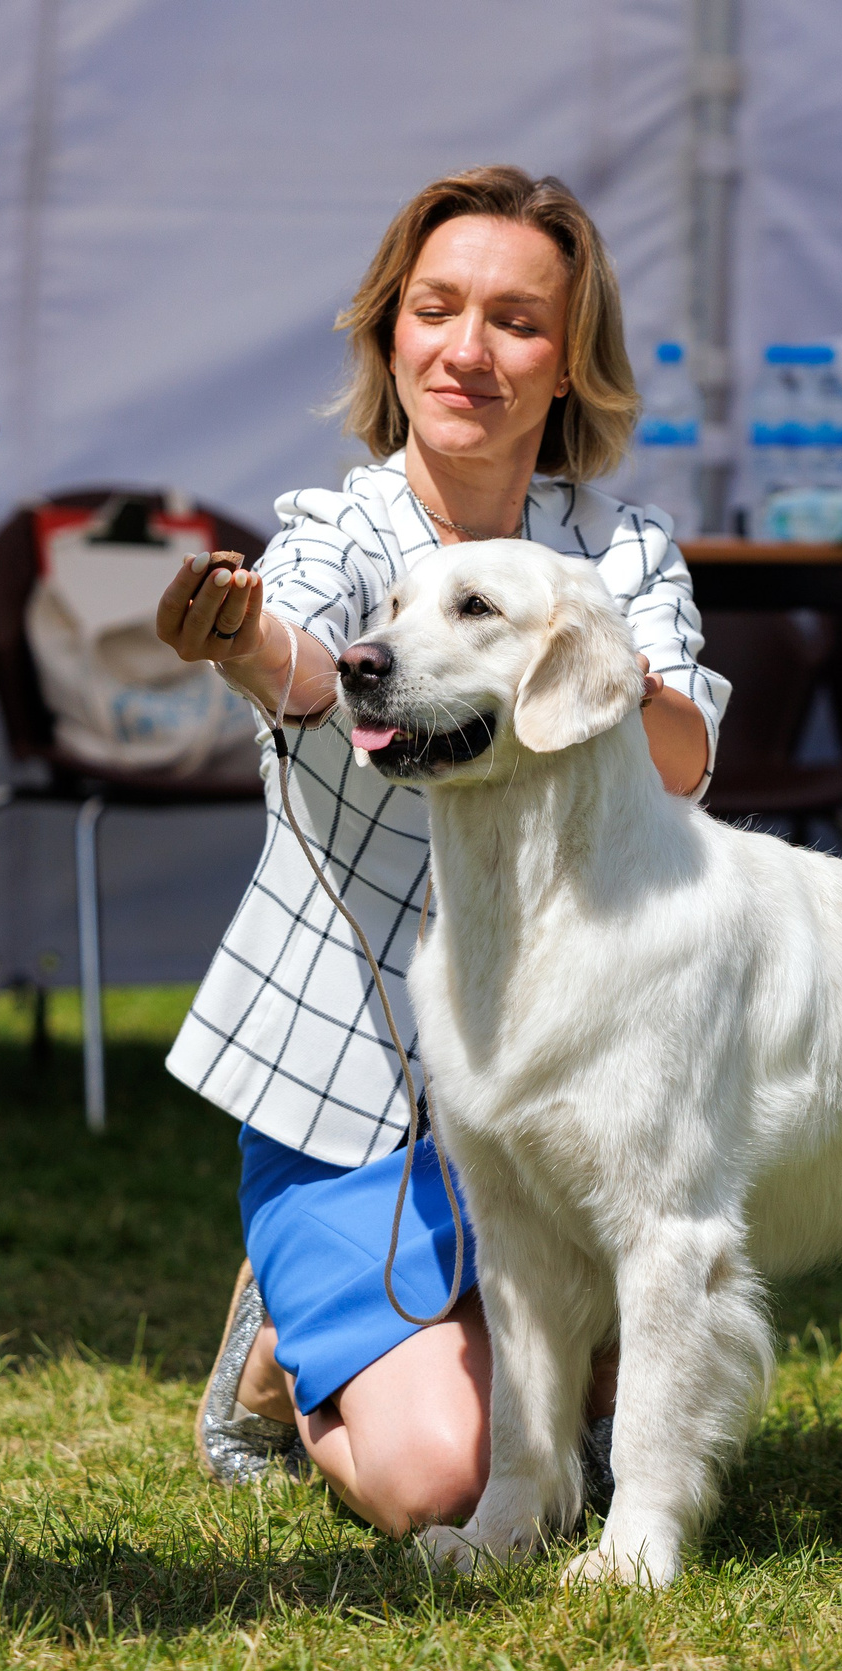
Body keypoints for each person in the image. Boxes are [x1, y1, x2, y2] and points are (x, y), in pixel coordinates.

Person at [163, 166, 727, 1536]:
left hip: (572, 1068)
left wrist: (584, 649)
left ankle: (531, 1351)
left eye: (517, 322)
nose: (468, 351)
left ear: (569, 366)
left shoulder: (622, 552)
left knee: (618, 1389)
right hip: (360, 1090)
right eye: (436, 310)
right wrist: (241, 639)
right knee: (444, 1483)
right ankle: (281, 1355)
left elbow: (684, 758)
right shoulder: (338, 531)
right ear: (389, 333)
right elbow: (305, 664)